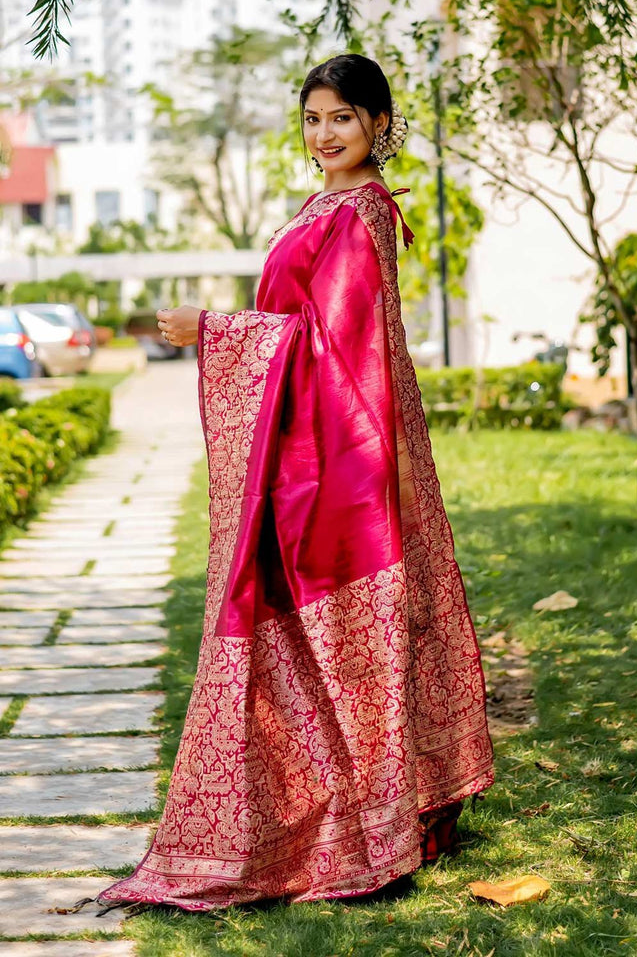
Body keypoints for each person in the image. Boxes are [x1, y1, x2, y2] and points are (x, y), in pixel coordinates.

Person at [98, 53, 493, 912]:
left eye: (343, 118)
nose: (325, 134)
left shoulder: (358, 215)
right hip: (313, 453)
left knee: (328, 636)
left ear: (379, 126)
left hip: (337, 465)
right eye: (314, 119)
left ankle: (371, 819)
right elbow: (305, 329)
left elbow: (331, 349)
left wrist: (213, 329)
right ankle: (362, 807)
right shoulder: (329, 205)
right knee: (308, 639)